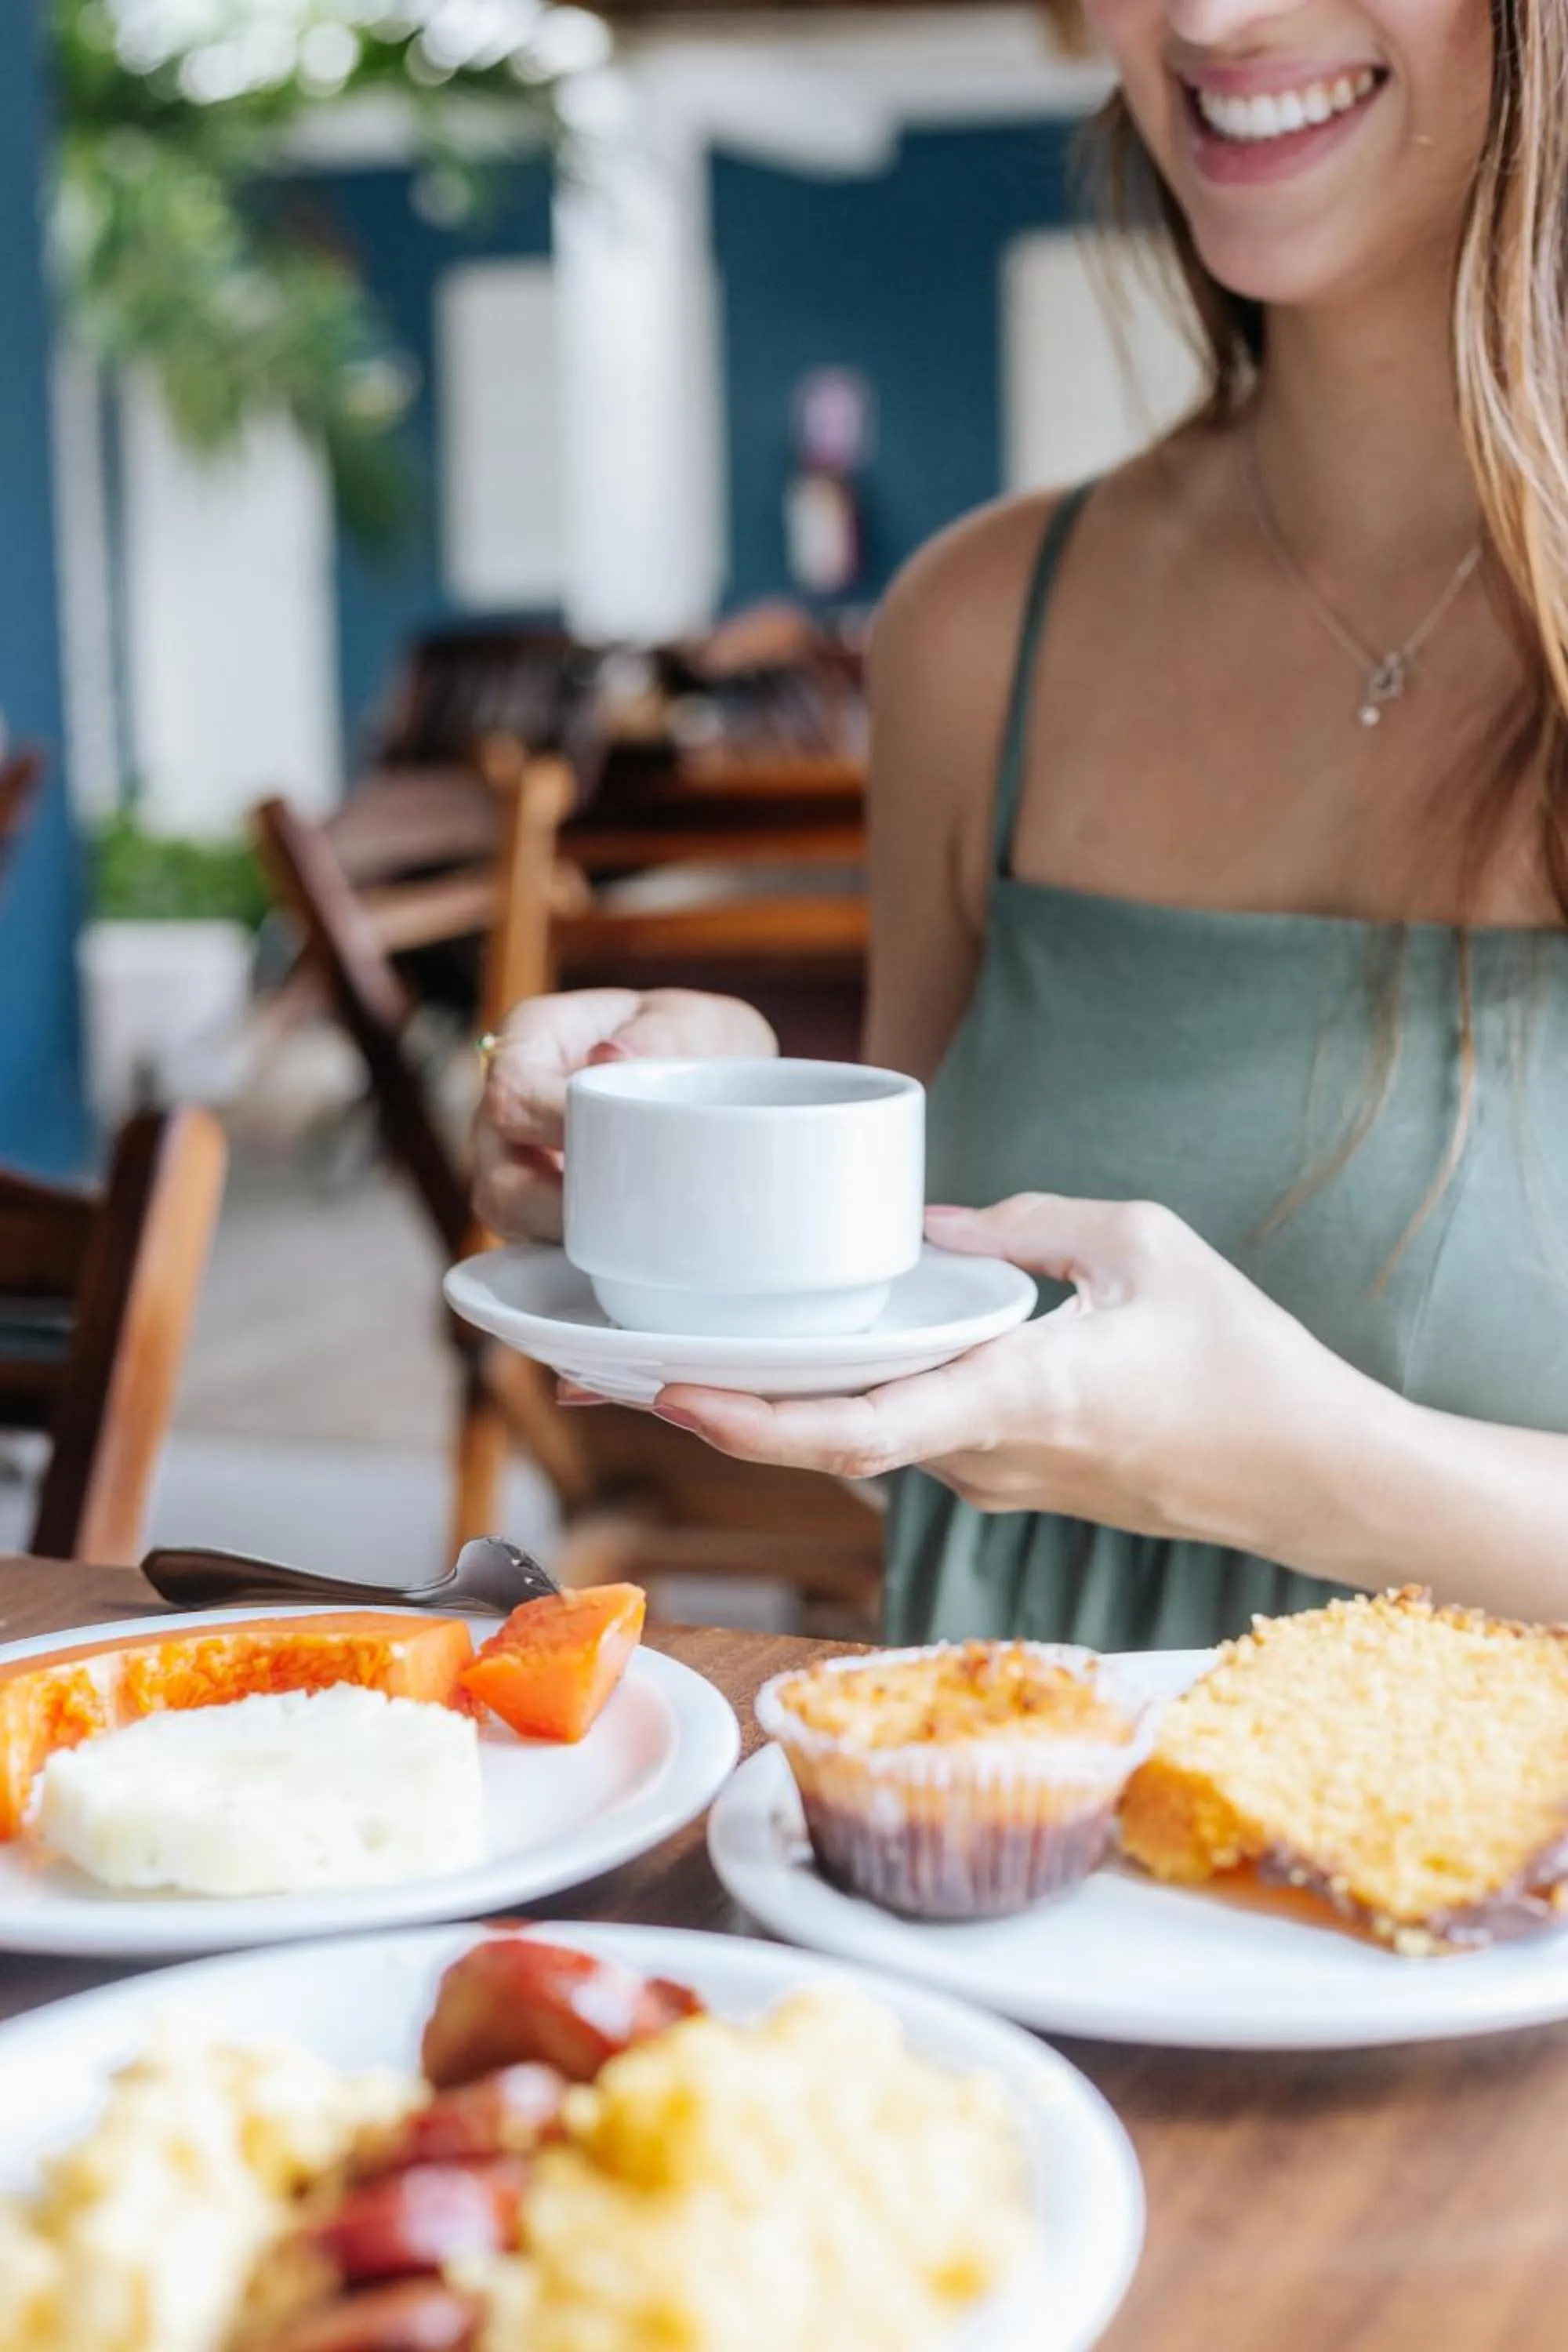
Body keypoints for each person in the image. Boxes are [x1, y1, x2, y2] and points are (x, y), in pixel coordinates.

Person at [475, 0, 1568, 1650]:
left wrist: (1308, 1472)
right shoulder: (982, 631)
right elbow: (933, 1400)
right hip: (983, 1876)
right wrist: (716, 1162)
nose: (1204, 16)